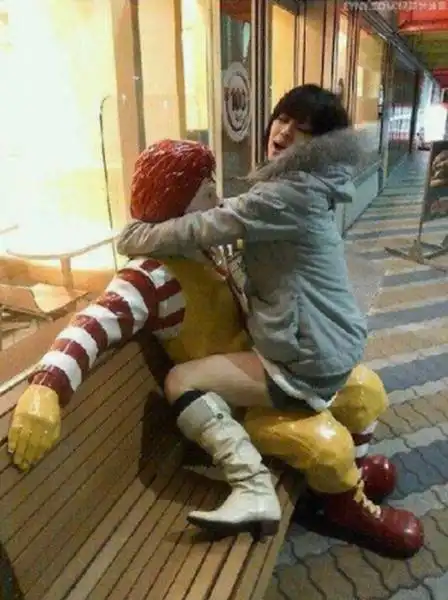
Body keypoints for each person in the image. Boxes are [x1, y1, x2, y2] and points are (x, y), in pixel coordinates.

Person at [117, 85, 424, 556]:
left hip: (304, 356)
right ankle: (355, 477)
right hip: (333, 339)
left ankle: (257, 489)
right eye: (282, 118)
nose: (283, 132)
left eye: (303, 130)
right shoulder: (314, 185)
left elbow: (204, 225)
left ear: (321, 146)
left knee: (181, 380)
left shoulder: (286, 194)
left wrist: (135, 236)